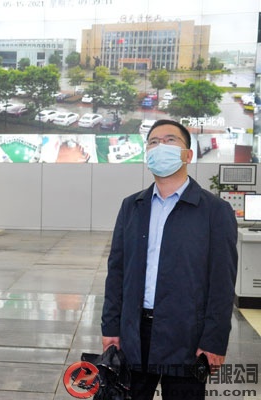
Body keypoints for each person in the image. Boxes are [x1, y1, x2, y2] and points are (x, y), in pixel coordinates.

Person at [101, 119, 238, 400]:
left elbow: (222, 283)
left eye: (170, 140)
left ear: (188, 154)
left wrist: (214, 340)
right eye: (153, 142)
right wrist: (111, 326)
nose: (160, 146)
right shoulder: (132, 206)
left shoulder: (214, 211)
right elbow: (117, 272)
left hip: (187, 335)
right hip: (135, 334)